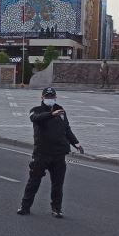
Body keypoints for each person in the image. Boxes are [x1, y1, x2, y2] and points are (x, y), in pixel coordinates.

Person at [17, 87, 84, 218]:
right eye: (47, 97)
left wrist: (76, 143)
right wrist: (51, 114)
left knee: (58, 184)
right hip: (42, 154)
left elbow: (67, 129)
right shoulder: (36, 110)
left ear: (55, 97)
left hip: (59, 154)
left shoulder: (61, 110)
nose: (50, 99)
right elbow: (35, 118)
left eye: (52, 97)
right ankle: (25, 207)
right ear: (42, 98)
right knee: (34, 181)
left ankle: (56, 209)